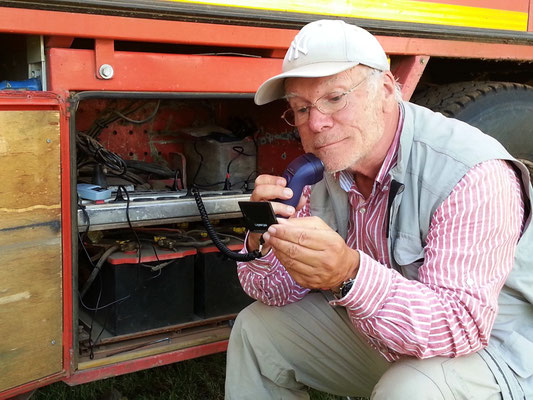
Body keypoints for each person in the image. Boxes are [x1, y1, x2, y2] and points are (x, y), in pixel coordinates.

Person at [225, 19, 533, 400]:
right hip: (397, 340)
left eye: (335, 98)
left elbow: (460, 327)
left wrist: (349, 275)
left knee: (410, 390)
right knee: (257, 331)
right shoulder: (328, 165)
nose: (317, 123)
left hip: (496, 355)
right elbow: (274, 293)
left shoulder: (471, 172)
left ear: (387, 89)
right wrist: (264, 238)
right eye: (301, 108)